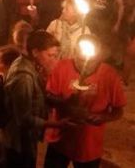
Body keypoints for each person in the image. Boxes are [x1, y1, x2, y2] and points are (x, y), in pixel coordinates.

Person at [44, 35, 126, 167]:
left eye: (90, 61)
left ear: (99, 56)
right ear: (75, 52)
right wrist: (67, 105)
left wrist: (102, 117)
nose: (84, 65)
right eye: (80, 60)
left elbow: (118, 110)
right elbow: (48, 97)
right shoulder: (62, 66)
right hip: (59, 139)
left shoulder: (109, 75)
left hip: (88, 147)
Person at [2, 31, 68, 168]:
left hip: (25, 139)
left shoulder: (29, 66)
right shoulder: (24, 76)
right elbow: (23, 118)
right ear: (36, 52)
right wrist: (55, 124)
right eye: (50, 55)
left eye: (56, 56)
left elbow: (39, 96)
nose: (55, 60)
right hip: (19, 142)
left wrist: (64, 102)